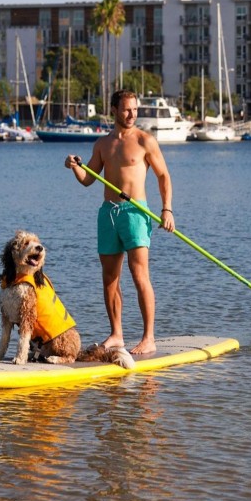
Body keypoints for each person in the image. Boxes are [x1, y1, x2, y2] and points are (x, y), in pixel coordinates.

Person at [64, 89, 174, 355]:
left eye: (135, 109)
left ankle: (149, 337)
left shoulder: (145, 141)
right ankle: (117, 334)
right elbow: (88, 179)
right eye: (126, 109)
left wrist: (167, 210)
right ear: (114, 110)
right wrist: (74, 166)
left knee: (139, 276)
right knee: (110, 279)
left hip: (135, 213)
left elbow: (163, 177)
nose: (131, 114)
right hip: (108, 214)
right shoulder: (102, 144)